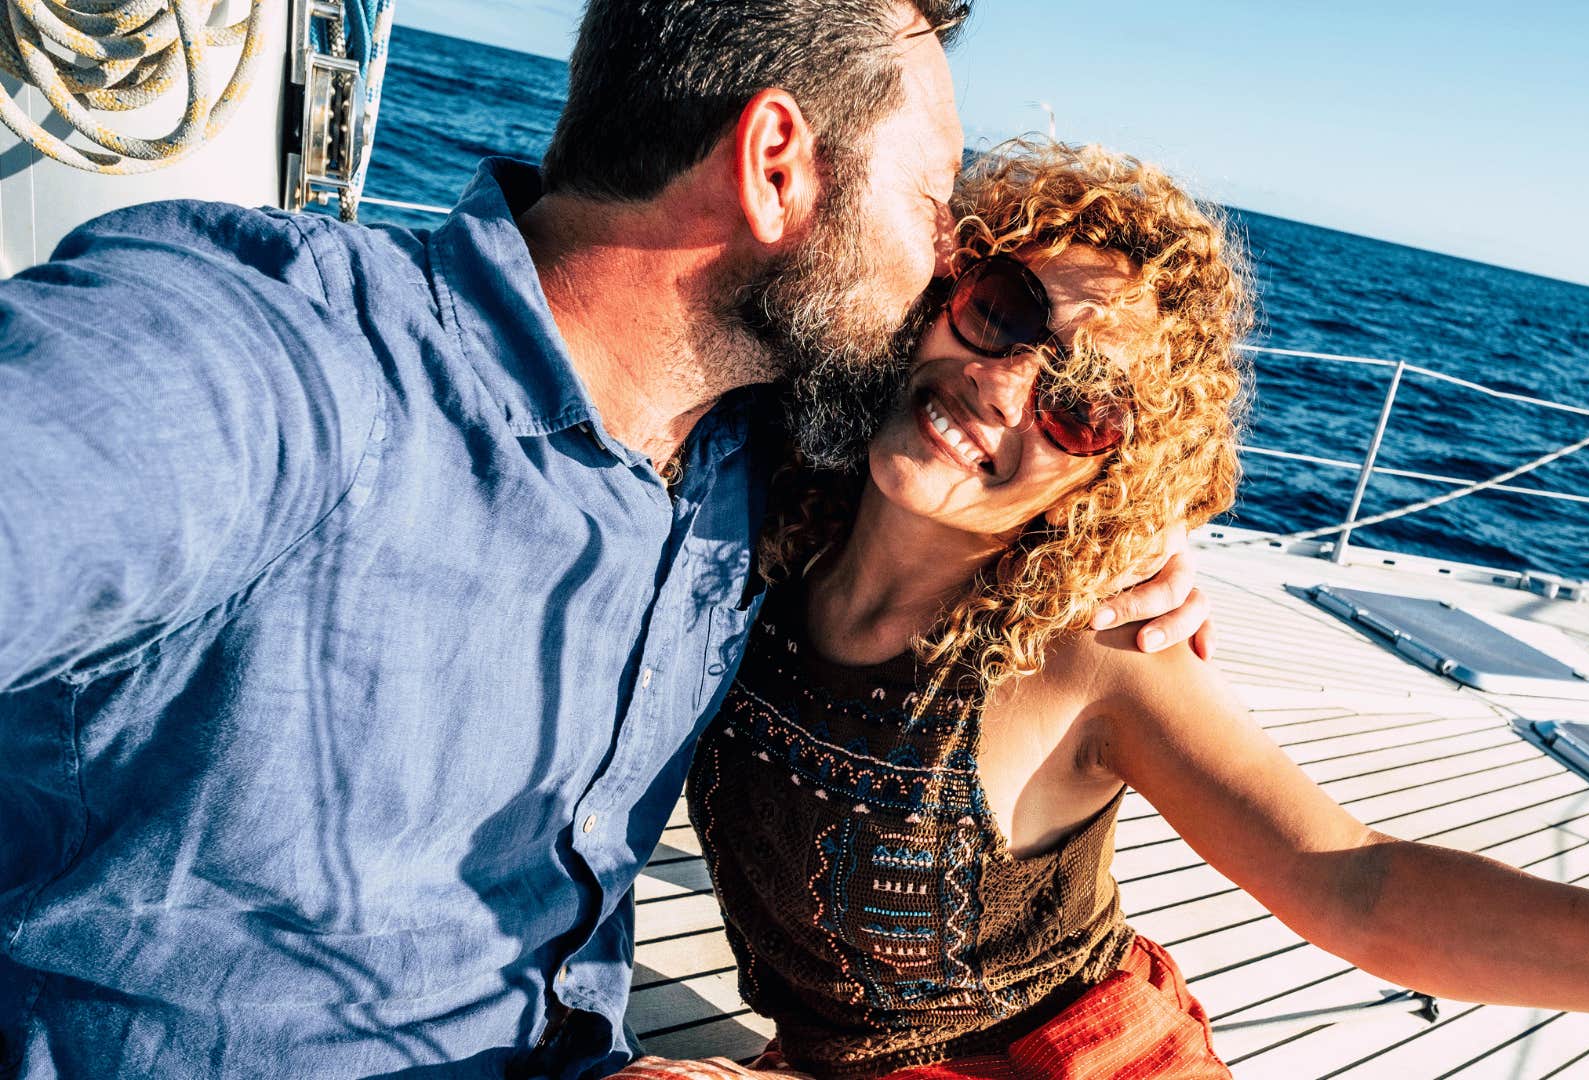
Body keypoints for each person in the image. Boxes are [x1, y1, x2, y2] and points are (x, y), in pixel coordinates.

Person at [0, 5, 1211, 1079]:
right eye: (935, 207)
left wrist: (1123, 535)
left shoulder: (759, 442)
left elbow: (990, 440)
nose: (952, 262)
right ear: (777, 169)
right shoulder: (276, 366)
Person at [616, 140, 1589, 1080]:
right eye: (1003, 311)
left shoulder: (1088, 657)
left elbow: (1357, 887)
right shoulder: (771, 495)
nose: (1006, 386)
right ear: (944, 285)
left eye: (1080, 404)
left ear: (1106, 473)